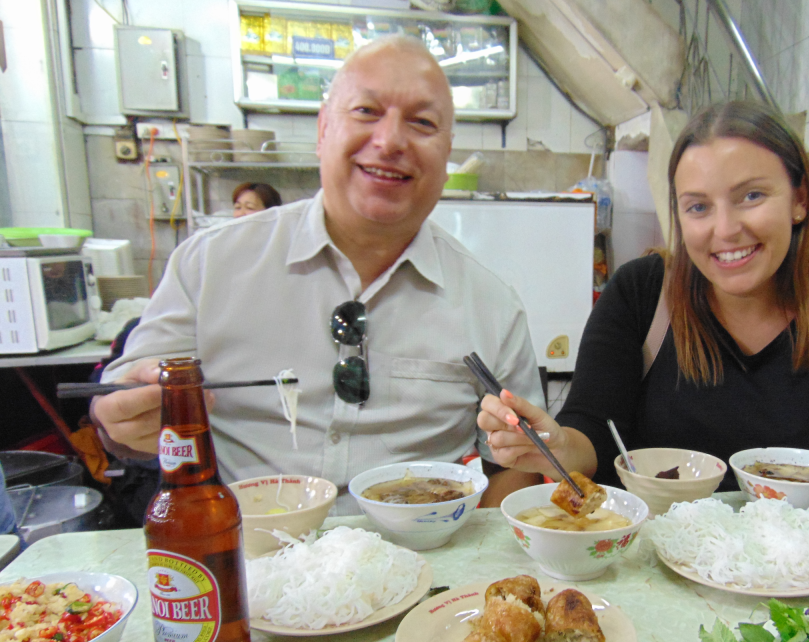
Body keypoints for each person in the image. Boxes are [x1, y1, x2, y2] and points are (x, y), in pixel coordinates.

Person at [91, 35, 544, 513]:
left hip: (424, 564)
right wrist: (118, 420)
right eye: (366, 111)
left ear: (447, 153)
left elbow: (518, 460)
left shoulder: (492, 303)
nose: (390, 141)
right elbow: (120, 412)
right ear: (323, 129)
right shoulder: (208, 265)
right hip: (248, 554)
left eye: (422, 122)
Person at [479, 101, 809, 490]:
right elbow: (590, 430)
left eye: (751, 196)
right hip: (650, 570)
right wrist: (553, 445)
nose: (725, 230)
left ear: (799, 200)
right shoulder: (641, 294)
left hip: (808, 573)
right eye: (698, 207)